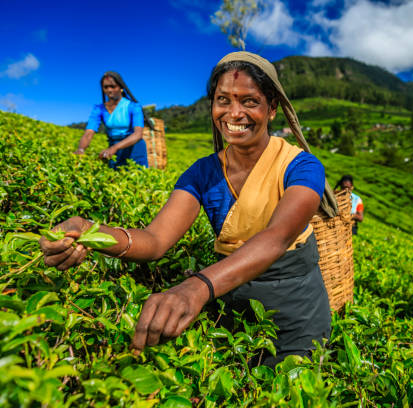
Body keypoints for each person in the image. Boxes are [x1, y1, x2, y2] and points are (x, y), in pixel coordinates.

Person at [39, 52, 336, 366]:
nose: (234, 114)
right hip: (231, 307)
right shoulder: (201, 173)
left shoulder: (301, 166)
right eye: (223, 100)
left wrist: (197, 287)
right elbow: (155, 240)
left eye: (249, 101)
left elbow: (277, 237)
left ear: (272, 108)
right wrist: (92, 232)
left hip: (296, 315)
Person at [74, 71, 150, 169]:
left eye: (113, 86)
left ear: (121, 88)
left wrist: (114, 148)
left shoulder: (133, 106)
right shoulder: (99, 109)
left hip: (133, 149)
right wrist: (81, 149)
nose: (109, 90)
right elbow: (89, 133)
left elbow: (138, 134)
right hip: (114, 148)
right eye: (106, 87)